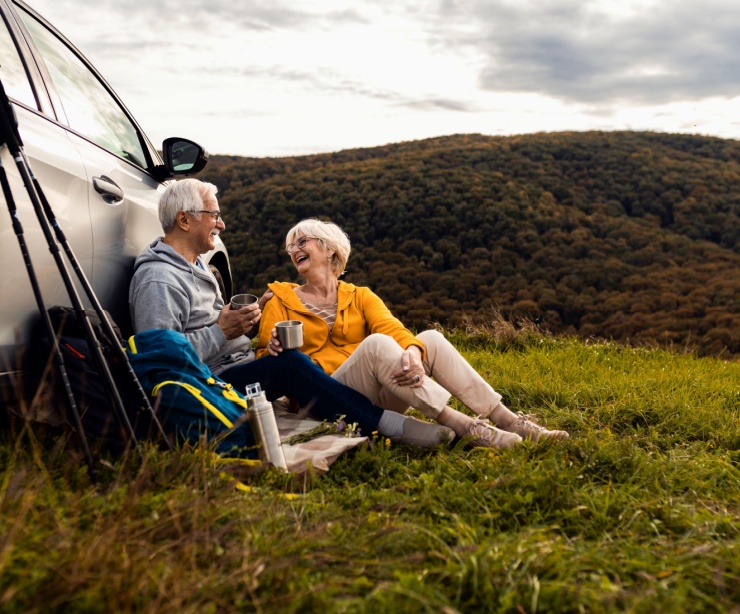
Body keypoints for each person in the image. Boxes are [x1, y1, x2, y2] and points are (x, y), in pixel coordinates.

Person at [128, 179, 454, 448]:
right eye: (214, 215)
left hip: (235, 368)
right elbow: (162, 365)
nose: (221, 224)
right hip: (209, 383)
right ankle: (391, 427)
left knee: (295, 362)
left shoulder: (196, 265)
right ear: (185, 220)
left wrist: (248, 324)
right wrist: (221, 332)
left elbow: (216, 333)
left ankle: (411, 419)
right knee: (292, 365)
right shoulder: (159, 279)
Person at [256, 218, 570, 448]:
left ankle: (508, 419)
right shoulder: (279, 298)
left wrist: (414, 353)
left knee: (429, 338)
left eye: (301, 242)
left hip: (379, 391)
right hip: (324, 397)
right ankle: (467, 426)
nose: (293, 250)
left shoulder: (359, 295)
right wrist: (271, 350)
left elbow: (394, 328)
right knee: (378, 344)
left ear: (328, 249)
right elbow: (264, 361)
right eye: (290, 247)